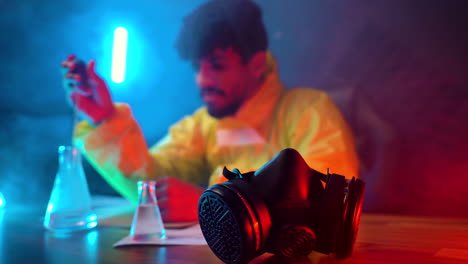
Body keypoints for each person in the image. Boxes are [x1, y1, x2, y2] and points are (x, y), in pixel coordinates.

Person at [62, 0, 359, 223]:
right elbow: (151, 187)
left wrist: (216, 204)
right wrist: (104, 119)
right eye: (197, 67)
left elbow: (329, 201)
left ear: (256, 64)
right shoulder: (201, 126)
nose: (202, 80)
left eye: (217, 66)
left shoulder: (308, 110)